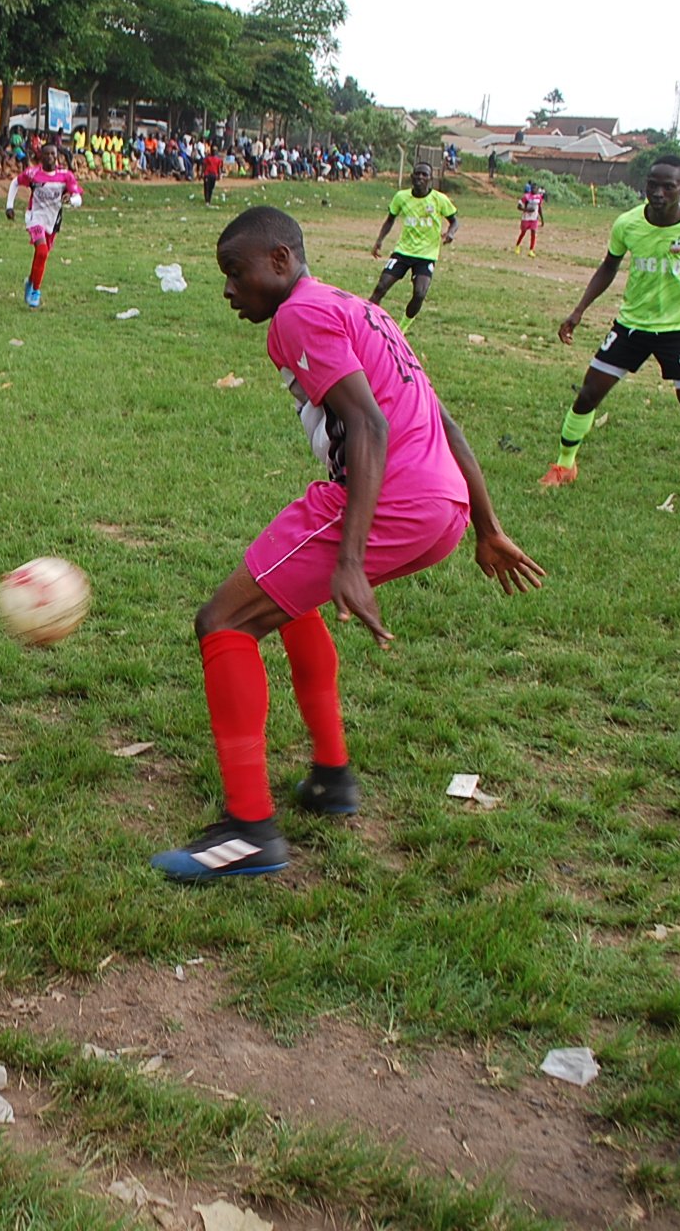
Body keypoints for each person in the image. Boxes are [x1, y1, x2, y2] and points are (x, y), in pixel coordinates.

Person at [152, 207, 544, 881]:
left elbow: (367, 425)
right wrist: (485, 524)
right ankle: (332, 778)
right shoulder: (362, 309)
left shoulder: (296, 316)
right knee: (286, 600)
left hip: (391, 498)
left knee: (222, 622)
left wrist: (353, 560)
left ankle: (250, 834)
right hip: (439, 502)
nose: (228, 289)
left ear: (280, 260)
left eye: (236, 273)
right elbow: (439, 414)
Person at [541, 155, 680, 527]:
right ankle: (563, 466)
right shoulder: (628, 223)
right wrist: (579, 309)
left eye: (669, 186)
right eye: (653, 184)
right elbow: (609, 266)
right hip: (631, 327)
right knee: (587, 394)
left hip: (679, 332)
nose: (659, 192)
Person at [369, 163, 458, 319]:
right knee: (381, 287)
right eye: (417, 174)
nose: (420, 177)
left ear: (430, 179)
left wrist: (450, 233)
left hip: (426, 255)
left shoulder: (439, 199)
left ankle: (402, 328)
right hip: (403, 252)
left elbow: (455, 221)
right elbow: (390, 219)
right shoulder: (401, 197)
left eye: (424, 175)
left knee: (419, 293)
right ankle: (366, 319)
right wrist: (379, 240)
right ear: (411, 177)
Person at [5, 141, 83, 310]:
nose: (50, 158)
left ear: (57, 156)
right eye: (46, 154)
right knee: (42, 251)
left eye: (53, 154)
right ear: (41, 156)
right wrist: (9, 206)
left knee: (41, 255)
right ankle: (36, 292)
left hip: (53, 220)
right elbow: (15, 183)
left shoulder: (65, 176)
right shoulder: (33, 174)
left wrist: (71, 200)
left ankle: (31, 282)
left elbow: (78, 198)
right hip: (35, 217)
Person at [514, 180, 547, 255]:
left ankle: (531, 250)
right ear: (531, 189)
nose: (534, 190)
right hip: (526, 218)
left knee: (533, 233)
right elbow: (518, 207)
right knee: (523, 233)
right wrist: (527, 210)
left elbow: (539, 208)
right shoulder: (526, 197)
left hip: (534, 218)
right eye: (533, 188)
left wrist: (542, 219)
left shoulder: (539, 197)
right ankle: (517, 245)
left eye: (535, 188)